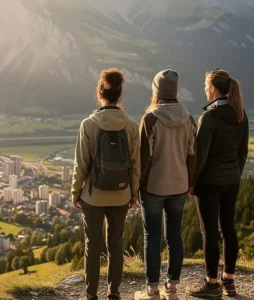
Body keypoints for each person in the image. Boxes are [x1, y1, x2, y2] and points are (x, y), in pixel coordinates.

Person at [71, 68, 140, 300]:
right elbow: (135, 164)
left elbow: (80, 164)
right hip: (121, 195)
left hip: (93, 195)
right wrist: (133, 193)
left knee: (92, 245)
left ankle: (91, 295)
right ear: (120, 95)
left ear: (100, 93)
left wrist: (75, 192)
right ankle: (114, 293)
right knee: (116, 245)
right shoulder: (131, 126)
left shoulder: (88, 125)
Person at [134, 70, 197, 300]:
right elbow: (192, 156)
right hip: (180, 186)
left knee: (152, 236)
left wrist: (136, 188)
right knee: (174, 236)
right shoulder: (189, 119)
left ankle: (151, 291)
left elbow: (144, 158)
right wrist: (190, 182)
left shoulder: (150, 119)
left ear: (156, 91)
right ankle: (172, 290)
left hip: (153, 187)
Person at [187, 69, 248, 299]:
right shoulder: (241, 114)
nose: (204, 89)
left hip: (209, 183)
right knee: (228, 228)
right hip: (232, 180)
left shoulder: (209, 117)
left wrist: (192, 183)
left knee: (209, 232)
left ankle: (211, 285)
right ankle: (228, 280)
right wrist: (235, 174)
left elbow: (200, 156)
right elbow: (243, 152)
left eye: (205, 85)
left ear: (213, 88)